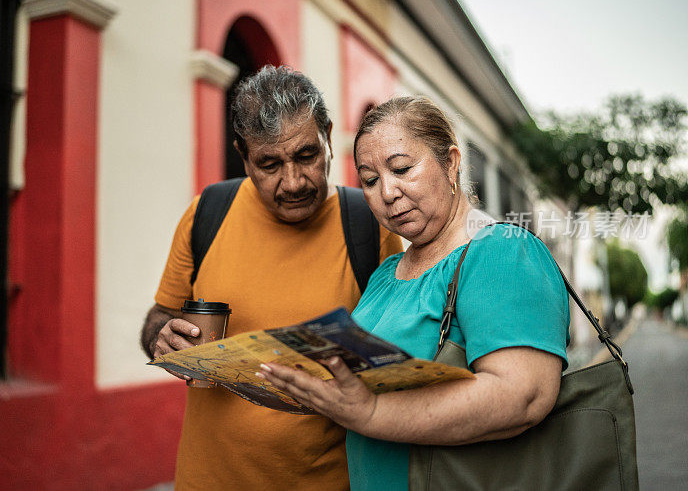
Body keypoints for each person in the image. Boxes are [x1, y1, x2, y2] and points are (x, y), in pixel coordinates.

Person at [258, 96, 570, 490]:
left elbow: (523, 396)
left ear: (451, 162)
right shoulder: (386, 275)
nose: (387, 192)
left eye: (402, 168)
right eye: (370, 180)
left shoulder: (501, 250)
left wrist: (371, 412)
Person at [140, 66, 403, 490]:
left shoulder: (371, 226)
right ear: (243, 154)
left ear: (330, 138)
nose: (294, 182)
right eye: (269, 165)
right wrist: (162, 337)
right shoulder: (206, 214)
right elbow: (160, 315)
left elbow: (395, 355)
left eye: (306, 156)